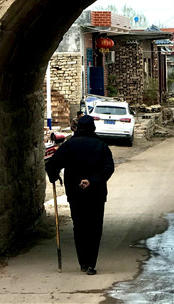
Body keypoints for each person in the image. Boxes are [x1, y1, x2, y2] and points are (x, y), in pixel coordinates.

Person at [46, 114, 114, 275]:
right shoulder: (101, 145)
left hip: (75, 193)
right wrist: (91, 180)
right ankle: (91, 264)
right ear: (93, 128)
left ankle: (83, 262)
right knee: (94, 227)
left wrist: (54, 176)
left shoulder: (70, 145)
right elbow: (108, 168)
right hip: (96, 193)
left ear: (78, 128)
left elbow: (52, 164)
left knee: (80, 226)